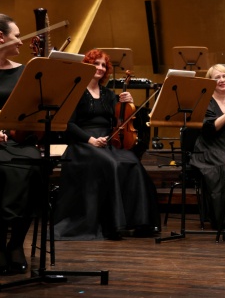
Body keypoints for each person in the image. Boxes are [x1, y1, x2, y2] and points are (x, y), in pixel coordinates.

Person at [54, 49, 160, 241]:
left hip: (108, 140)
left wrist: (129, 103)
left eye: (104, 65)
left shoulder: (109, 94)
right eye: (96, 64)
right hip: (83, 143)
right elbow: (68, 124)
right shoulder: (75, 91)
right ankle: (113, 224)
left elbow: (120, 119)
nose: (100, 68)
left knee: (132, 162)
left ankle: (139, 222)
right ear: (86, 65)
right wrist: (90, 140)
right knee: (110, 164)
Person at [0, 13, 42, 275]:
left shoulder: (24, 71)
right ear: (0, 37)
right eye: (17, 35)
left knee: (35, 165)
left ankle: (16, 243)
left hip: (18, 139)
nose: (21, 41)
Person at [189, 64, 225, 230]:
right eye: (217, 78)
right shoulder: (206, 102)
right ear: (210, 82)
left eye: (224, 76)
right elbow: (210, 129)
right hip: (208, 148)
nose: (222, 80)